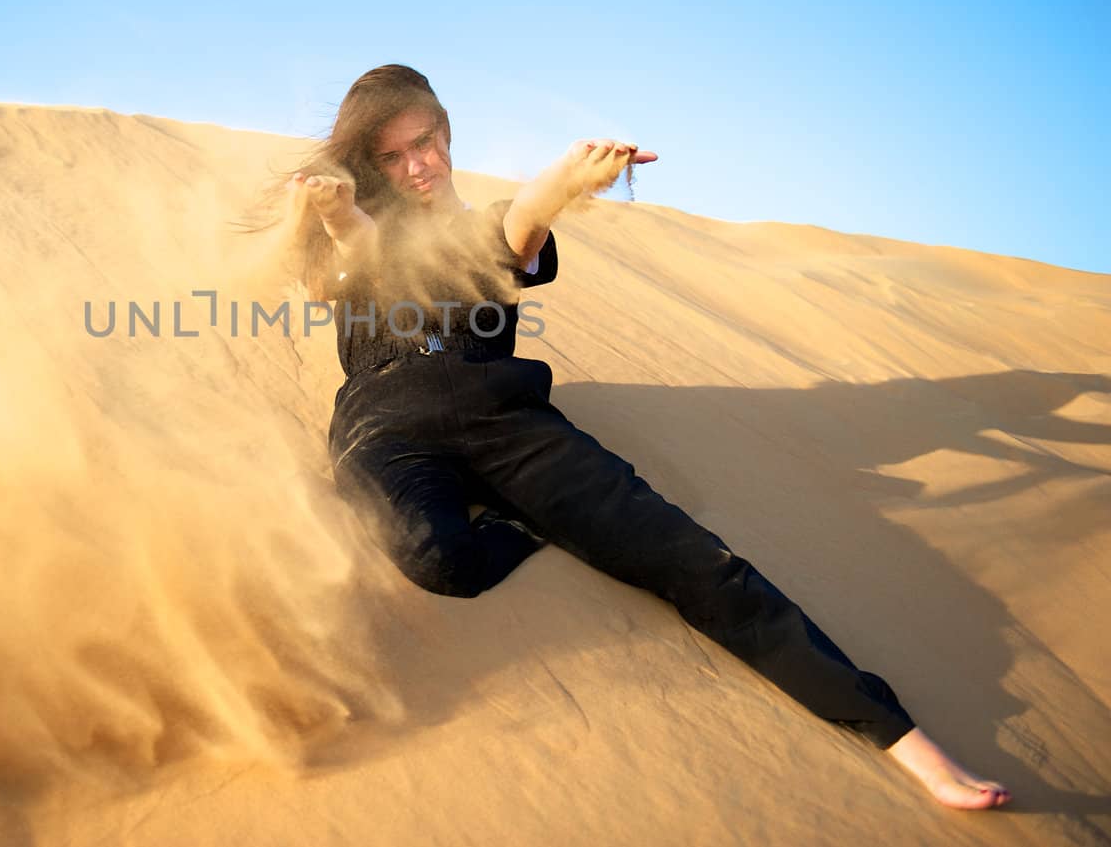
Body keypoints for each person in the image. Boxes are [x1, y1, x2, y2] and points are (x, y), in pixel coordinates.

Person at [275, 63, 1010, 810]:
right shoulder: (352, 238)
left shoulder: (478, 227)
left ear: (446, 133)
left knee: (693, 560)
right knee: (440, 559)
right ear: (373, 164)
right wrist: (332, 216)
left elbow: (517, 226)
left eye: (424, 142)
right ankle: (523, 527)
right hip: (383, 425)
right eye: (393, 156)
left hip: (502, 416)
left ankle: (901, 737)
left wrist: (562, 179)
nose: (417, 165)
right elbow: (360, 252)